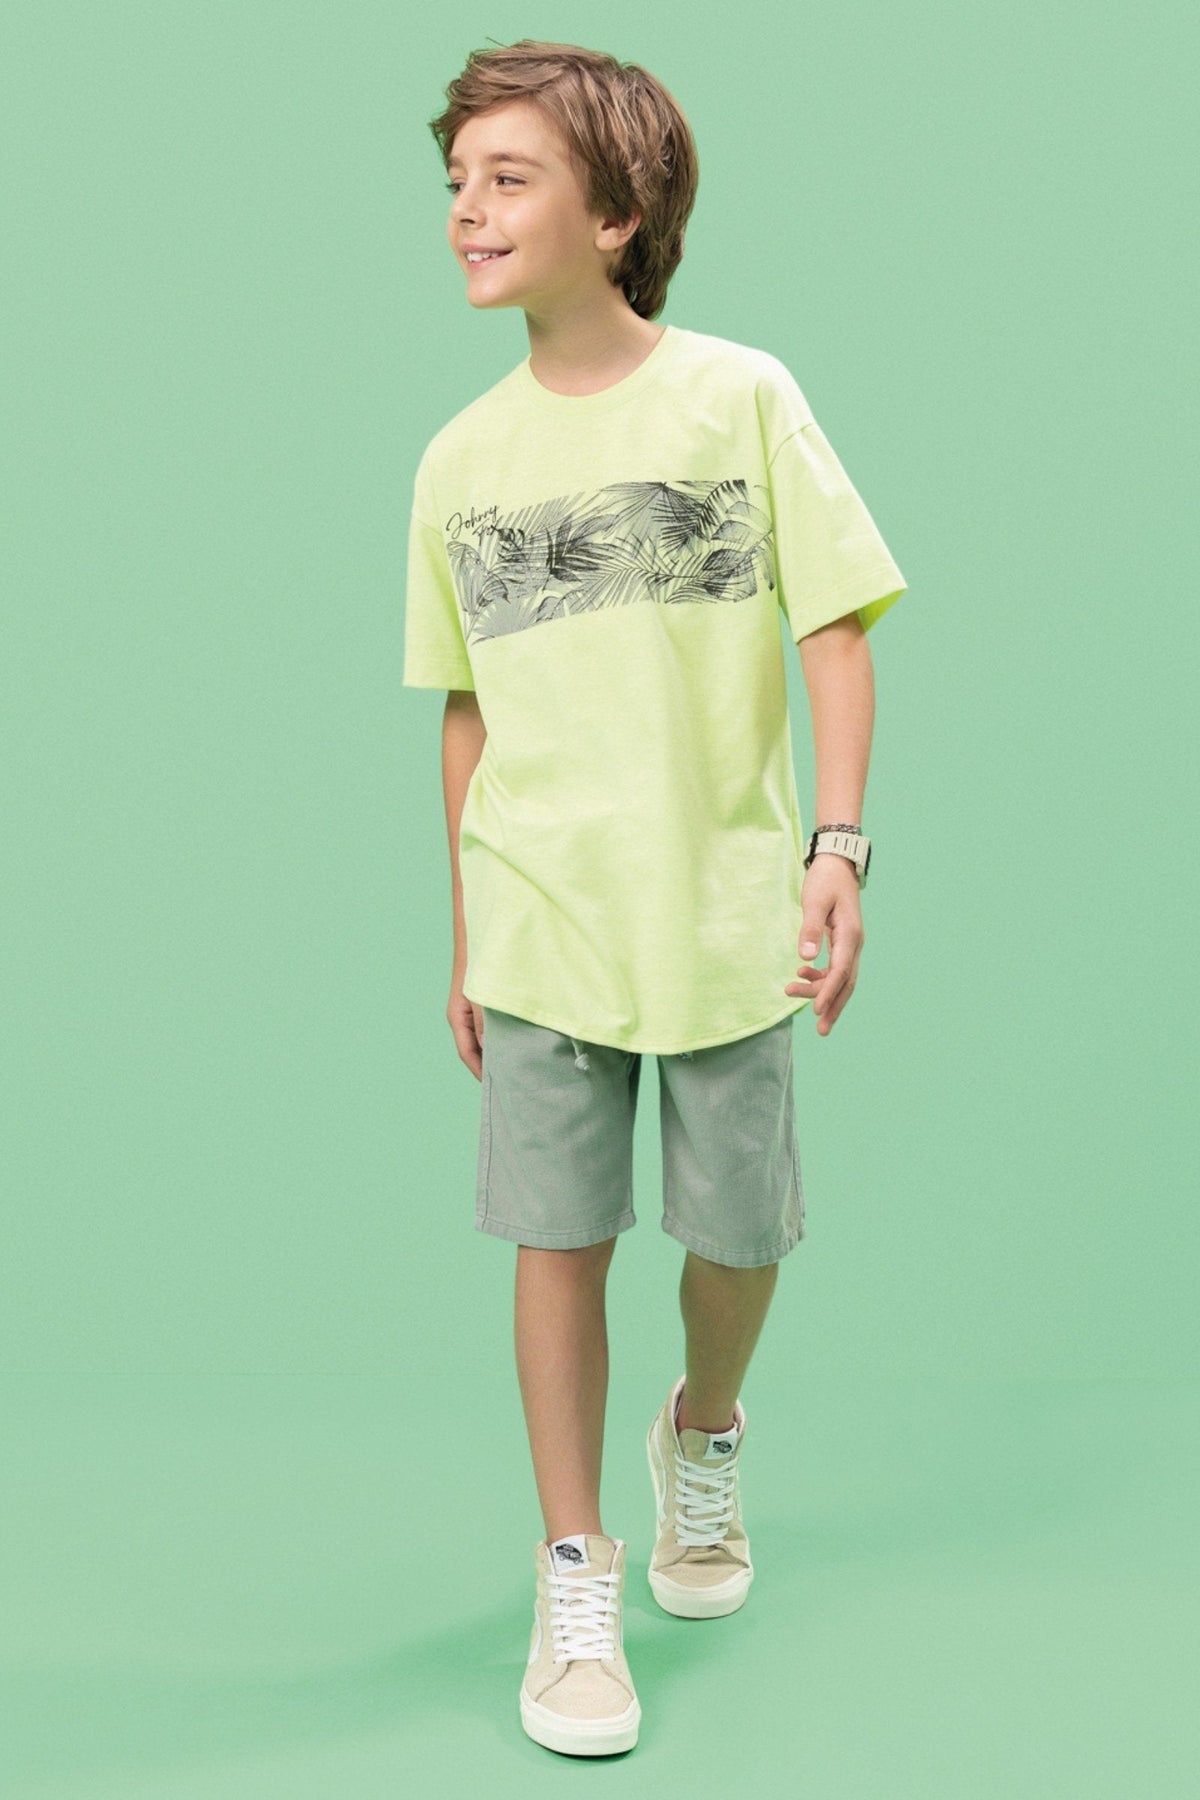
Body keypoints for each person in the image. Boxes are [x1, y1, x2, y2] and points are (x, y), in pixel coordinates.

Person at [403, 39, 907, 1758]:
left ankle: (704, 1432)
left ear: (618, 214)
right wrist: (466, 934)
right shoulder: (456, 461)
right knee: (557, 1241)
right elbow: (466, 711)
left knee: (739, 1232)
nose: (469, 209)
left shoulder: (740, 398)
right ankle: (576, 1575)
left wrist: (838, 847)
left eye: (511, 178)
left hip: (722, 912)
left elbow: (832, 627)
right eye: (457, 181)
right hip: (544, 918)